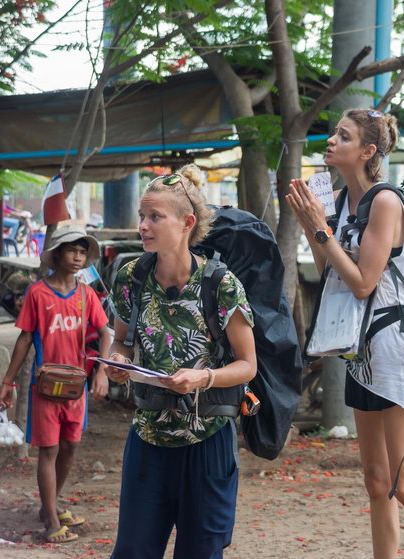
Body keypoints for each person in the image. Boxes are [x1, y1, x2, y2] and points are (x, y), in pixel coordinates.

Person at [285, 109, 404, 559]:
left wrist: (319, 229)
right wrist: (311, 223)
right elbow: (331, 274)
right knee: (377, 481)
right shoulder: (339, 202)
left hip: (397, 346)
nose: (331, 140)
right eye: (335, 132)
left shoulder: (385, 201)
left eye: (344, 135)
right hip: (361, 352)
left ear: (367, 151)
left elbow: (363, 282)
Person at [105, 164, 257, 559]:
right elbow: (120, 341)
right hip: (148, 437)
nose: (143, 225)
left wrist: (203, 378)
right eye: (142, 216)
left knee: (200, 554)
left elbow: (247, 365)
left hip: (207, 441)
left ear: (187, 222)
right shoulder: (131, 277)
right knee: (133, 552)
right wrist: (117, 361)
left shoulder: (219, 284)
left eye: (155, 217)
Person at [0, 226, 110, 543]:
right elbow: (24, 338)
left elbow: (105, 333)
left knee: (70, 447)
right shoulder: (37, 293)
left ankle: (50, 505)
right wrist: (8, 382)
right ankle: (50, 522)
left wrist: (100, 371)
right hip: (44, 388)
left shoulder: (87, 294)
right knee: (49, 450)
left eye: (82, 252)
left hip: (76, 387)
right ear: (57, 253)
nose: (78, 257)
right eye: (72, 250)